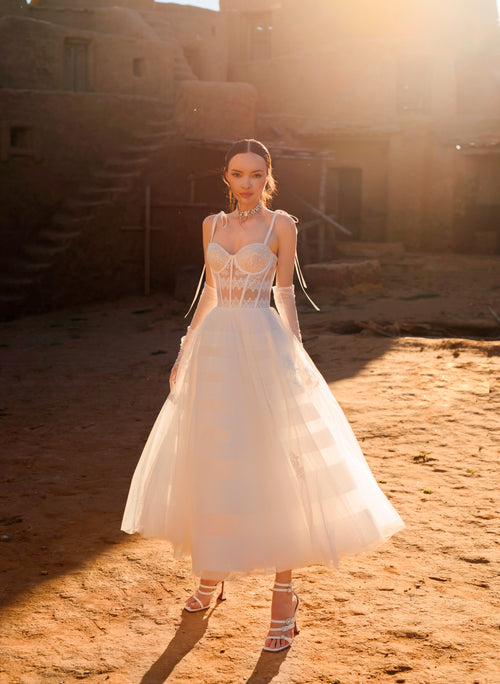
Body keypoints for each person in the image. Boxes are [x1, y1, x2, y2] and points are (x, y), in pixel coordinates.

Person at [121, 138, 405, 653]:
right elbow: (209, 290)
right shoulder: (211, 225)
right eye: (237, 173)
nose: (246, 182)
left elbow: (283, 293)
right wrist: (185, 348)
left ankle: (284, 596)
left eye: (255, 173)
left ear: (267, 176)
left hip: (262, 344)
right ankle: (212, 573)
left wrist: (294, 352)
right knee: (213, 460)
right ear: (225, 178)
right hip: (214, 350)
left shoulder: (282, 226)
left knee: (275, 464)